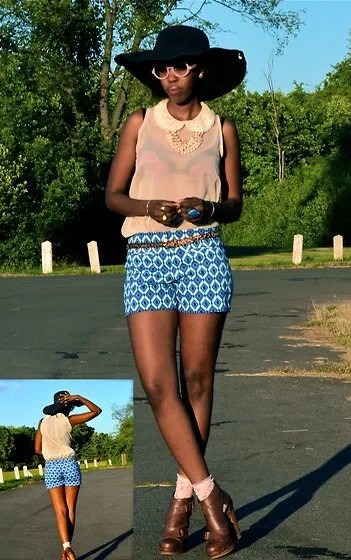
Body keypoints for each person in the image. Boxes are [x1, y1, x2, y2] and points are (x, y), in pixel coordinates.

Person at [106, 25, 246, 559]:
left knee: (197, 381)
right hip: (146, 259)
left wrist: (211, 210)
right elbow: (114, 195)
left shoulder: (222, 128)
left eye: (181, 66)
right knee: (160, 384)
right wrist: (148, 209)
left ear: (201, 70)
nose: (169, 75)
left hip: (204, 255)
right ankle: (213, 498)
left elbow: (233, 203)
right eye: (162, 68)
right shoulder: (140, 123)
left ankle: (180, 503)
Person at [35, 391, 102, 560]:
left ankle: (66, 549)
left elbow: (37, 449)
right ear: (69, 406)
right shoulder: (69, 420)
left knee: (60, 511)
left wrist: (50, 450)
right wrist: (79, 397)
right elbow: (96, 411)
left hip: (51, 466)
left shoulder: (42, 422)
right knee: (71, 509)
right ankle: (67, 550)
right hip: (69, 463)